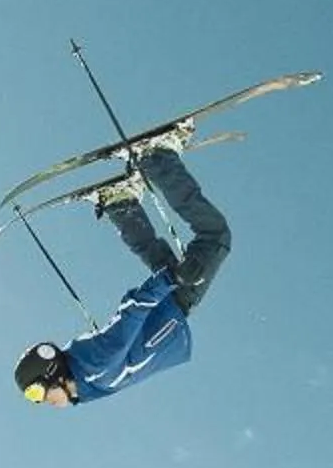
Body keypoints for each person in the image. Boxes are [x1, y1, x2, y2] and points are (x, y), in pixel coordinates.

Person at [15, 142, 230, 407]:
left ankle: (156, 158)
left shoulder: (97, 365)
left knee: (215, 237)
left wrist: (172, 280)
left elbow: (133, 311)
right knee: (165, 260)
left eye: (36, 393)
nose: (40, 402)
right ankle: (121, 204)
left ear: (52, 375)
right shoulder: (89, 380)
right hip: (167, 308)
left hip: (173, 301)